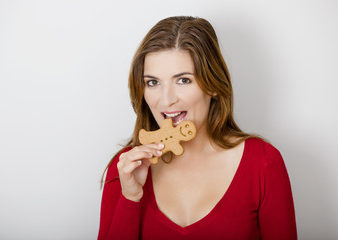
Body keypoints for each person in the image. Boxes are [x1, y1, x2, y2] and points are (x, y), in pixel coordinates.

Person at [97, 16, 297, 240]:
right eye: (152, 82)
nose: (165, 100)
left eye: (183, 80)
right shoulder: (126, 167)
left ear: (212, 85)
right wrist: (130, 198)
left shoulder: (263, 163)